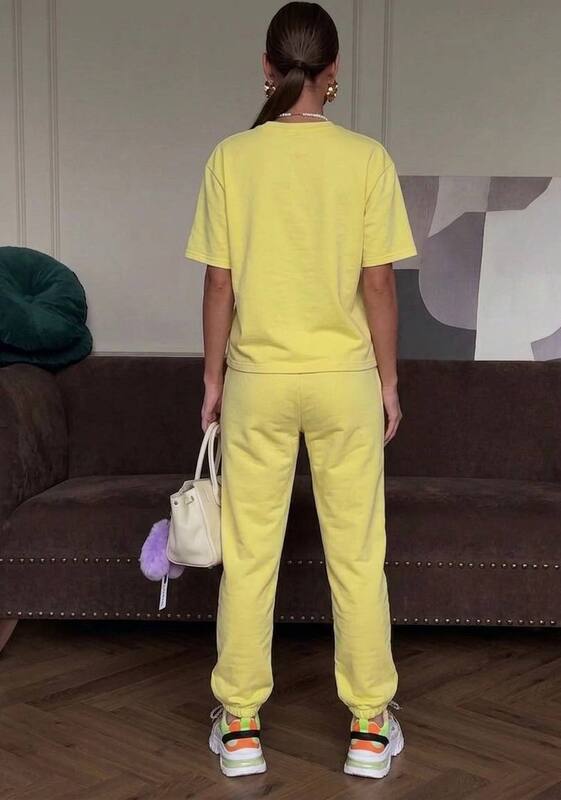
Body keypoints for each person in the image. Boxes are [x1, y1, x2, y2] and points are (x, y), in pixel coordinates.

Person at [184, 0, 417, 780]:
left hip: (258, 381)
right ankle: (369, 730)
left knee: (251, 557)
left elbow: (219, 284)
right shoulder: (366, 159)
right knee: (357, 556)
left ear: (265, 66)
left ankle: (241, 728)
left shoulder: (231, 158)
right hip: (343, 383)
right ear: (333, 71)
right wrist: (388, 383)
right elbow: (377, 285)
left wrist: (213, 378)